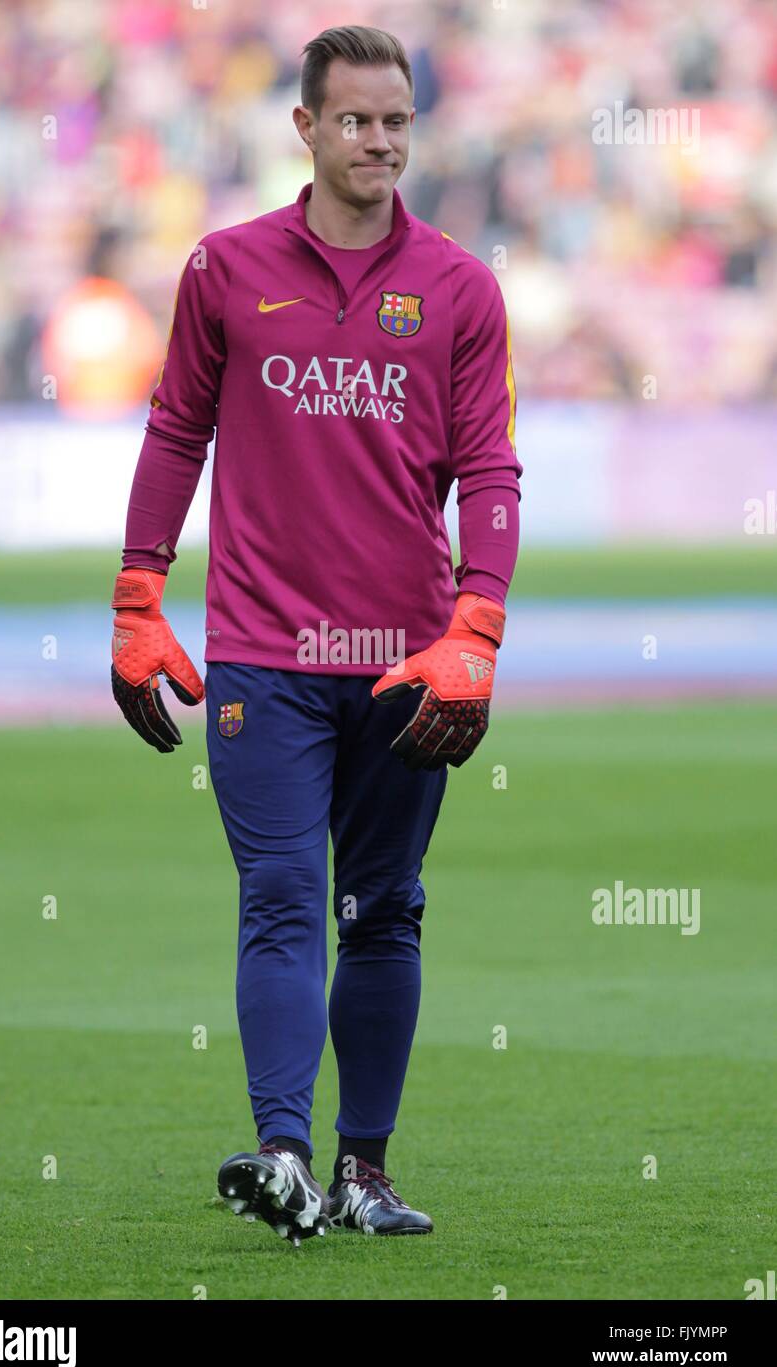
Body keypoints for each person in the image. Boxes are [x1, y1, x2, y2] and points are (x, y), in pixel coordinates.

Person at [110, 24, 522, 1245]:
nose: (380, 141)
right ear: (305, 126)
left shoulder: (461, 286)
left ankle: (364, 1173)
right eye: (356, 119)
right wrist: (138, 594)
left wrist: (478, 623)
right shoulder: (224, 268)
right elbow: (175, 431)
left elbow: (491, 468)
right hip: (262, 653)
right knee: (284, 893)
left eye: (397, 121)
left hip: (405, 660)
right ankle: (284, 1154)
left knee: (384, 907)